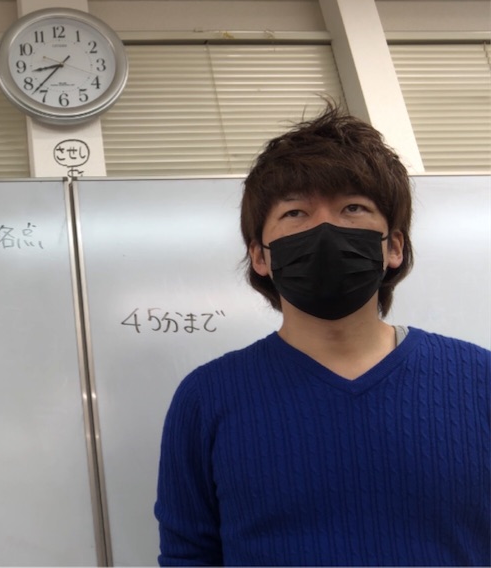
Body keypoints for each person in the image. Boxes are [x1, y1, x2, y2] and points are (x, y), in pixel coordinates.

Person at [154, 103, 490, 566]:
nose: (325, 228)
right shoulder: (206, 397)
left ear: (393, 246)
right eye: (295, 212)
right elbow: (188, 556)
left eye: (353, 207)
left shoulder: (479, 379)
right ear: (261, 256)